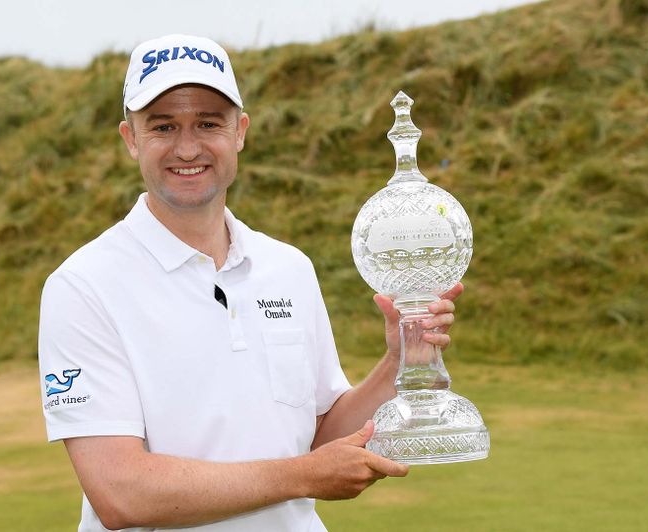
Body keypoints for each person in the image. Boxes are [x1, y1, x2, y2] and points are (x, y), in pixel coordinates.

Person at [37, 33, 462, 532]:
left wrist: (398, 362)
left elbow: (321, 438)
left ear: (240, 131)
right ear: (131, 139)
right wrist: (302, 476)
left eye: (209, 123)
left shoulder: (288, 268)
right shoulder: (83, 286)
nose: (188, 146)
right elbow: (120, 493)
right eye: (164, 126)